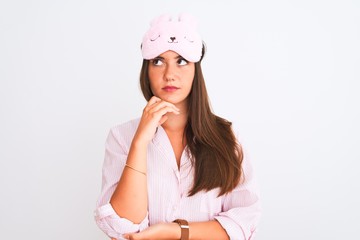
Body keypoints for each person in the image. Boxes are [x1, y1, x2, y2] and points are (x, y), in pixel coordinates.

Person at [94, 13, 261, 240]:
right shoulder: (122, 137)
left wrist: (175, 231)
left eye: (181, 61)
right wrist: (140, 142)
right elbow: (123, 227)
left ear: (195, 69)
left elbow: (244, 223)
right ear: (147, 70)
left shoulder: (226, 137)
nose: (170, 74)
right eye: (158, 61)